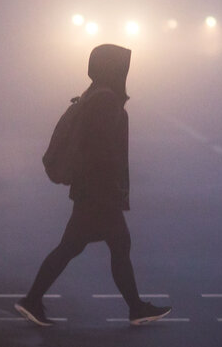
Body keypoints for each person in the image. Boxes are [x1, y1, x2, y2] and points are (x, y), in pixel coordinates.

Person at [15, 44, 172, 326]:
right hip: (98, 192)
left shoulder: (95, 95)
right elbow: (101, 150)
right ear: (113, 69)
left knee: (87, 246)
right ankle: (133, 308)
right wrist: (111, 188)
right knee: (104, 246)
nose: (125, 72)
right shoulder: (105, 101)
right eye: (122, 67)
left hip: (91, 190)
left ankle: (34, 300)